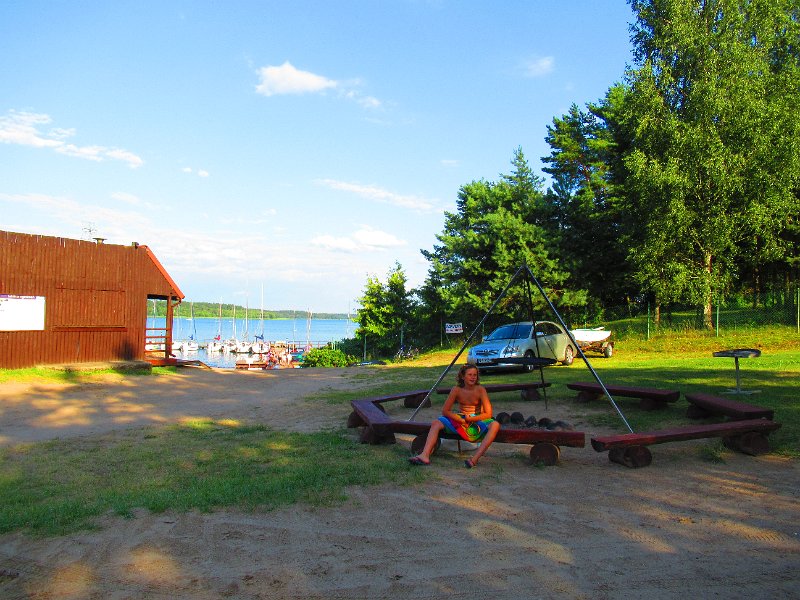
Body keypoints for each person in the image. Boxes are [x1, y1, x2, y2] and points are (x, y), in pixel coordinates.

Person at [408, 363, 500, 468]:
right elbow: (445, 411)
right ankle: (425, 455)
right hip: (461, 419)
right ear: (462, 376)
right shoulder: (456, 390)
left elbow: (488, 414)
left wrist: (472, 418)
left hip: (476, 421)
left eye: (475, 375)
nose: (473, 377)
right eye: (470, 375)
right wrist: (459, 419)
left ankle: (474, 459)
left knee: (495, 425)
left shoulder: (480, 390)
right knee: (436, 423)